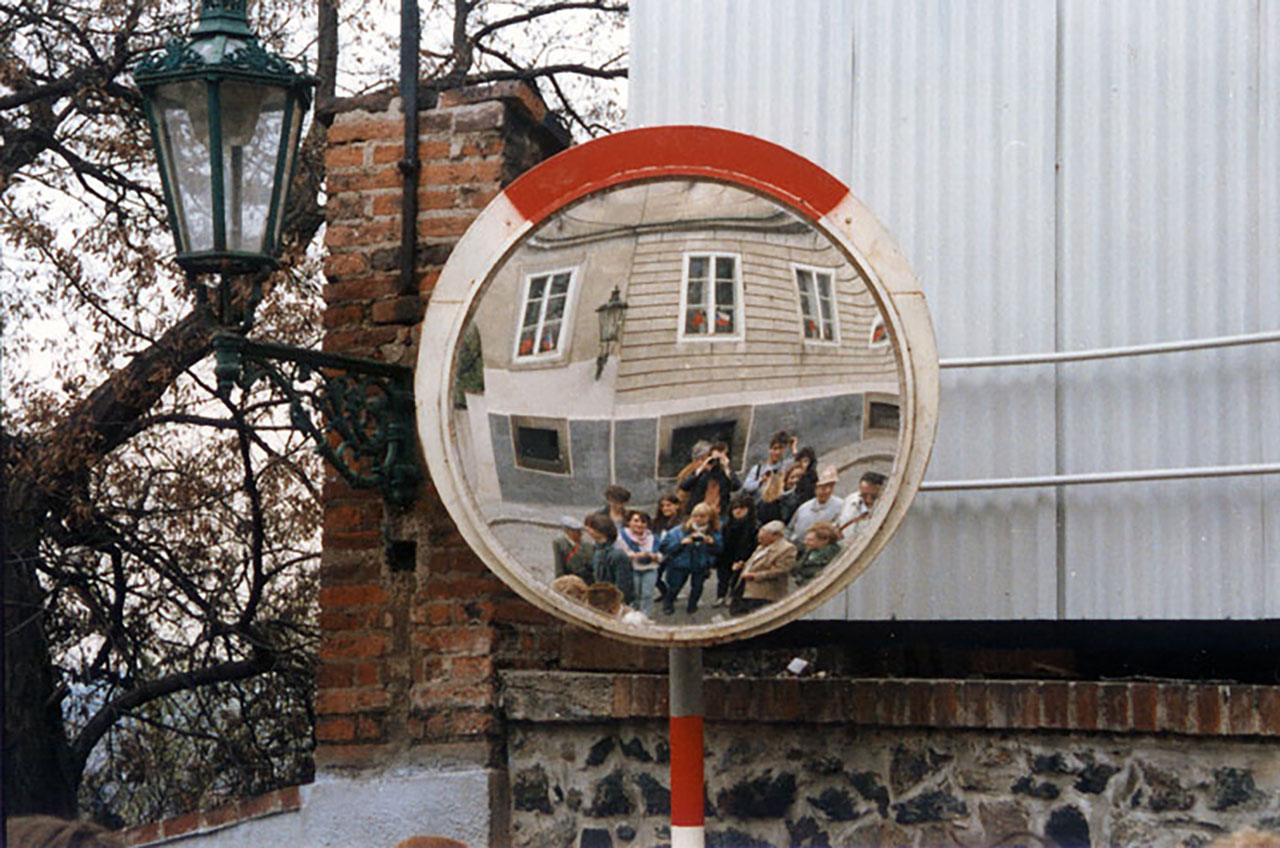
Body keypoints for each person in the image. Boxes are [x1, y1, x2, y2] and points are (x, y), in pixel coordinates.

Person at [657, 502, 722, 615]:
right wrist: (681, 543)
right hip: (681, 563)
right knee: (675, 586)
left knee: (697, 587)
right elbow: (665, 547)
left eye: (702, 516)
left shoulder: (714, 532)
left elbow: (719, 550)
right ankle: (668, 603)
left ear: (710, 518)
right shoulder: (679, 530)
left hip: (701, 563)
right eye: (695, 516)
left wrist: (712, 543)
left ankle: (692, 605)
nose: (698, 519)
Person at [730, 520, 796, 616]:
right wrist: (744, 565)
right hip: (746, 588)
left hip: (764, 593)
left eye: (762, 538)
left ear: (775, 535)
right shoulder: (762, 546)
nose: (759, 540)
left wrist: (755, 576)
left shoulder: (787, 549)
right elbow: (756, 563)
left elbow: (780, 571)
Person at [715, 491, 757, 607]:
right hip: (726, 556)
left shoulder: (753, 527)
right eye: (735, 508)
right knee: (723, 578)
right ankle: (721, 596)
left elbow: (753, 545)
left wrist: (744, 560)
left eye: (742, 508)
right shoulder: (726, 526)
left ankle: (732, 596)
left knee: (737, 579)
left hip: (742, 557)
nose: (738, 511)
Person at [616, 510, 661, 617]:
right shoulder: (622, 537)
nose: (639, 524)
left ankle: (645, 616)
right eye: (636, 521)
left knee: (647, 594)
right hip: (632, 569)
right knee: (634, 594)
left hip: (650, 568)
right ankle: (632, 615)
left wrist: (655, 556)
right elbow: (619, 554)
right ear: (629, 522)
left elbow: (661, 554)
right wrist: (635, 556)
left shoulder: (652, 537)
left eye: (643, 522)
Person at [786, 465, 843, 549]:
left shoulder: (840, 506)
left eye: (830, 486)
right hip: (798, 547)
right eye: (823, 487)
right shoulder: (804, 508)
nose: (827, 491)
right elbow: (790, 529)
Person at [678, 440, 740, 517]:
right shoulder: (700, 473)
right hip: (699, 512)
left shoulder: (725, 474)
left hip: (719, 513)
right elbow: (684, 486)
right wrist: (702, 468)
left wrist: (726, 468)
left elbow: (737, 486)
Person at [583, 512, 634, 604]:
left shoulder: (617, 555)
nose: (587, 529)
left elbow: (623, 586)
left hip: (612, 604)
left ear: (599, 530)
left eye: (590, 527)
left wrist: (616, 603)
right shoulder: (596, 550)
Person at [650, 493, 682, 602]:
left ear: (677, 505)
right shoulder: (657, 522)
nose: (665, 508)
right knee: (654, 576)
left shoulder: (681, 522)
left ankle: (671, 597)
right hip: (659, 553)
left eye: (668, 505)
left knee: (673, 579)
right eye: (662, 506)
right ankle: (665, 593)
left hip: (675, 554)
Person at [741, 430, 792, 496]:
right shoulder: (758, 468)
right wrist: (761, 481)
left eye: (780, 449)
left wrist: (793, 449)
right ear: (770, 450)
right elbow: (746, 486)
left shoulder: (784, 467)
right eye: (775, 449)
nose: (777, 452)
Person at [793, 521, 842, 586]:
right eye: (806, 539)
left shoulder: (831, 556)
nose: (805, 542)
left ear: (824, 540)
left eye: (810, 540)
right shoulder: (810, 551)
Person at [552, 515, 594, 582]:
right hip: (571, 579)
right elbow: (559, 566)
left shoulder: (588, 545)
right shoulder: (560, 543)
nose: (580, 534)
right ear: (568, 531)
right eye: (576, 531)